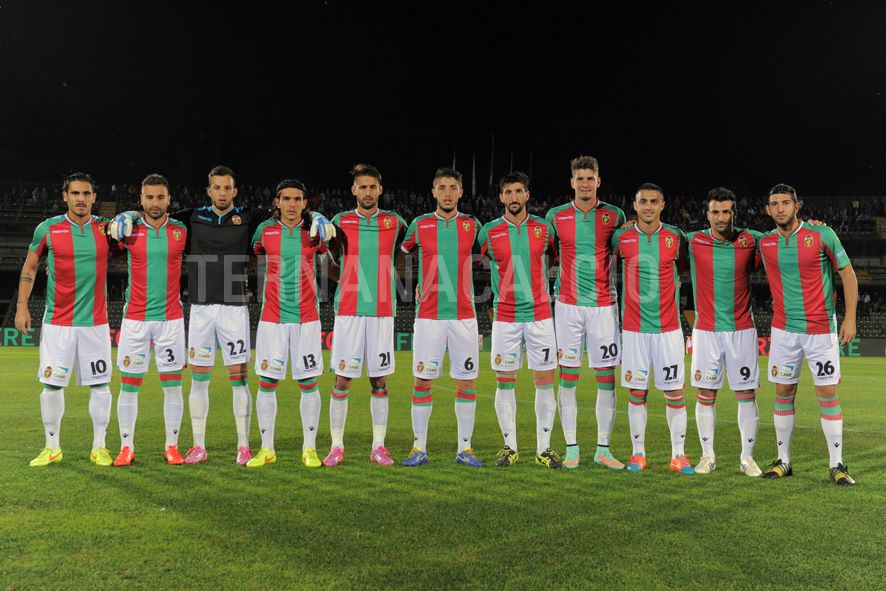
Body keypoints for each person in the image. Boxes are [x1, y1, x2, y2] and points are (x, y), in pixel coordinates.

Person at [758, 183, 857, 485]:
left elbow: (848, 274)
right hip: (784, 331)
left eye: (786, 203)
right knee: (783, 392)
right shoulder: (764, 242)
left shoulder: (822, 234)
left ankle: (837, 465)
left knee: (826, 392)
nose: (780, 209)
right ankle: (783, 461)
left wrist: (850, 318)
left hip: (820, 329)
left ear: (797, 206)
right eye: (775, 204)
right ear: (768, 209)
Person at [17, 172, 115, 467]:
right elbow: (30, 268)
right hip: (58, 322)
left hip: (95, 323)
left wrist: (132, 215)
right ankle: (52, 447)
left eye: (86, 193)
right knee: (52, 385)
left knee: (100, 385)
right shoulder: (48, 229)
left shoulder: (106, 228)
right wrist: (22, 306)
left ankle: (99, 447)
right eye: (75, 193)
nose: (81, 199)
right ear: (65, 196)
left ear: (94, 197)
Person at [323, 164, 407, 467]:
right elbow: (327, 261)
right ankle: (336, 446)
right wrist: (347, 279)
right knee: (343, 379)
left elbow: (406, 254)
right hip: (349, 310)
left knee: (379, 379)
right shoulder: (339, 221)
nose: (368, 192)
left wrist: (389, 278)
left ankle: (378, 446)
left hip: (382, 311)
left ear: (380, 190)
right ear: (353, 190)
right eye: (362, 187)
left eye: (373, 187)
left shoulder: (395, 222)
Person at [545, 156, 626, 470]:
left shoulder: (614, 216)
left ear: (598, 181)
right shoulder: (556, 216)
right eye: (579, 178)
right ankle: (572, 448)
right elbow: (548, 254)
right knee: (568, 377)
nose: (585, 184)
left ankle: (603, 449)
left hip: (604, 306)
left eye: (590, 178)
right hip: (567, 306)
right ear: (572, 182)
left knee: (606, 378)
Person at [399, 168, 483, 467]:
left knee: (466, 382)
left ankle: (465, 449)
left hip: (464, 315)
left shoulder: (472, 225)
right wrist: (418, 281)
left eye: (453, 187)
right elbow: (403, 253)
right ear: (433, 192)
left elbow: (487, 255)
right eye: (442, 188)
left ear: (461, 192)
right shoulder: (419, 224)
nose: (447, 193)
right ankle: (418, 447)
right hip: (429, 315)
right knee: (423, 381)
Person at [478, 172, 563, 469]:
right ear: (501, 197)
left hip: (540, 315)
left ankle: (544, 449)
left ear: (527, 194)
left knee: (545, 382)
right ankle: (509, 448)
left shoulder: (544, 229)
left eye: (519, 191)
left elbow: (555, 256)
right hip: (505, 317)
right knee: (504, 383)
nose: (513, 197)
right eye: (508, 192)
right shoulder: (488, 232)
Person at [612, 183, 694, 475]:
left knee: (675, 393)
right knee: (637, 392)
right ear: (634, 205)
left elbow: (684, 267)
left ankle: (678, 455)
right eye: (643, 201)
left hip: (668, 329)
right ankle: (638, 454)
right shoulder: (621, 237)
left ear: (663, 205)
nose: (648, 206)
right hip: (634, 329)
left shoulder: (676, 236)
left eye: (654, 201)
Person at [247, 179, 330, 468]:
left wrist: (322, 220)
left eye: (297, 199)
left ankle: (309, 448)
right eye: (286, 199)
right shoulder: (265, 230)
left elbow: (330, 257)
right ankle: (266, 448)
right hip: (272, 318)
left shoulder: (314, 232)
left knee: (308, 382)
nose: (292, 204)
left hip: (307, 317)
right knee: (267, 382)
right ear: (277, 202)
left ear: (305, 204)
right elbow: (255, 253)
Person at [110, 174, 188, 466]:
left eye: (160, 197)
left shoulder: (181, 229)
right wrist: (126, 215)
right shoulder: (128, 229)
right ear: (141, 199)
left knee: (172, 386)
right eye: (149, 197)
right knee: (129, 385)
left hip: (171, 319)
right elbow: (104, 241)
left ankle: (172, 446)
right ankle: (126, 447)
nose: (155, 203)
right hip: (135, 319)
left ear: (169, 200)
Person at [685, 187, 762, 476]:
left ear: (734, 214)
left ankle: (747, 458)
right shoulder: (692, 240)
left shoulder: (750, 239)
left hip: (742, 329)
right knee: (705, 392)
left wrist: (812, 225)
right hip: (706, 330)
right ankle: (707, 456)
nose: (721, 217)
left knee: (746, 392)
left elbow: (784, 233)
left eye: (726, 211)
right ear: (707, 214)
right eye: (715, 211)